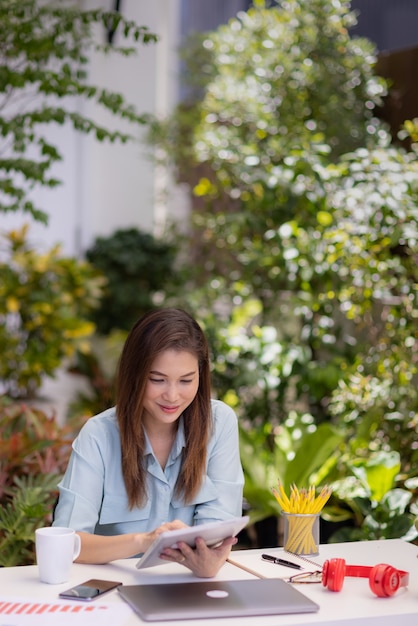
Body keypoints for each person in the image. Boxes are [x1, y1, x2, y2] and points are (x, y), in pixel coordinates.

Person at [53, 307, 244, 578]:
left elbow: (218, 533)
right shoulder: (98, 435)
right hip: (112, 591)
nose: (173, 395)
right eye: (157, 380)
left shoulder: (219, 422)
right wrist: (143, 541)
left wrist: (211, 561)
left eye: (186, 380)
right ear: (134, 374)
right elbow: (67, 543)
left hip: (189, 587)